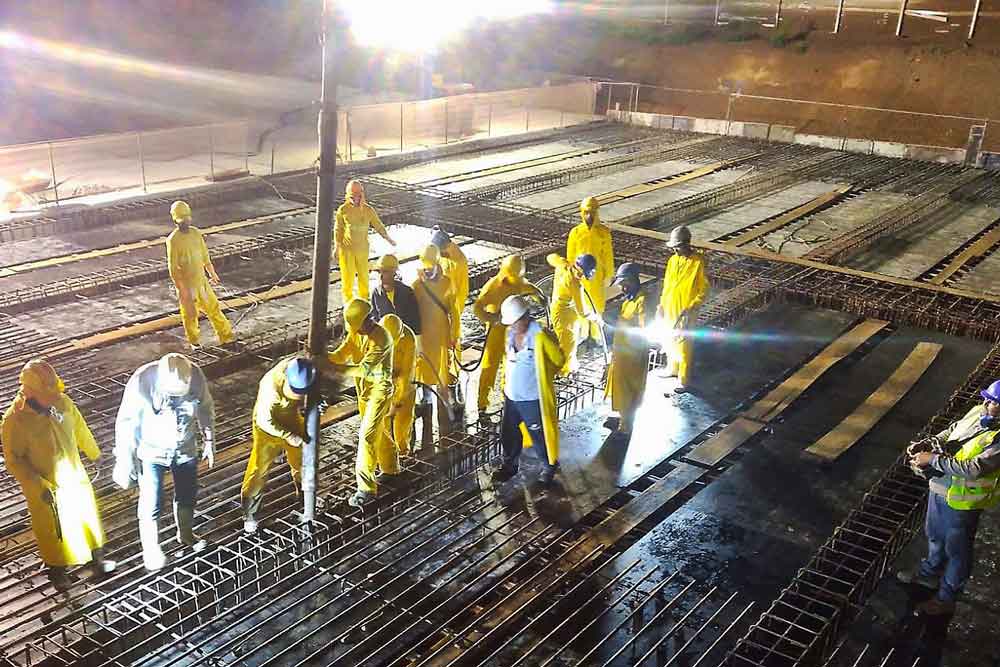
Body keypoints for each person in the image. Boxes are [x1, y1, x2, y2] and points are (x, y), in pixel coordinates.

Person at [2, 360, 116, 591]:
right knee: (54, 529)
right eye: (48, 393)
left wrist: (94, 453)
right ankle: (57, 572)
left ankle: (96, 560)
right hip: (47, 487)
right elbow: (14, 460)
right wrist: (38, 485)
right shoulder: (15, 421)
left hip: (74, 475)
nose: (53, 397)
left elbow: (79, 428)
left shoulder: (62, 402)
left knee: (86, 519)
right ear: (30, 392)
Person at [903, 382, 1000, 615]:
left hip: (963, 502)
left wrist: (933, 459)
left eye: (996, 403)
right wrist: (929, 443)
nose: (989, 405)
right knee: (934, 535)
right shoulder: (979, 411)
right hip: (939, 487)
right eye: (988, 399)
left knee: (957, 550)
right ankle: (929, 574)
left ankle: (946, 597)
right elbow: (954, 429)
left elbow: (975, 467)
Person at [113, 354, 215, 571]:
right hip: (152, 450)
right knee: (152, 499)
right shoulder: (141, 381)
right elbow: (126, 423)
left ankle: (186, 534)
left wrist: (209, 439)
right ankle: (151, 548)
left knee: (188, 492)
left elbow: (205, 407)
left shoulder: (194, 375)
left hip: (184, 447)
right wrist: (124, 459)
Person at [490, 296, 566, 487]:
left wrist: (543, 376)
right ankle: (510, 465)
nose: (513, 326)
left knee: (539, 435)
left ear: (525, 317)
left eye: (515, 322)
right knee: (508, 432)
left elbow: (558, 360)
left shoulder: (540, 335)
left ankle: (549, 466)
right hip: (512, 395)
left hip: (532, 397)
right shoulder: (509, 333)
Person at [327, 299, 394, 507]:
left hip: (379, 391)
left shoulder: (382, 337)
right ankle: (391, 467)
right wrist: (322, 357)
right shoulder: (356, 333)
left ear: (366, 320)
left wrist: (334, 370)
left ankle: (366, 488)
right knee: (377, 431)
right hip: (363, 392)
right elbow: (341, 354)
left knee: (367, 436)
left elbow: (364, 368)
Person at [240, 357, 315, 533]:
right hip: (267, 428)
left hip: (291, 417)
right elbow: (265, 421)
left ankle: (305, 499)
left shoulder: (305, 370)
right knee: (259, 469)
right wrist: (288, 435)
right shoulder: (270, 389)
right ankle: (249, 515)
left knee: (302, 461)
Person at [166, 200, 234, 349]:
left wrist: (212, 272)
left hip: (202, 282)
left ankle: (226, 337)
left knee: (214, 309)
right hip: (187, 286)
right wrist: (181, 288)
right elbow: (173, 267)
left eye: (187, 220)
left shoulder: (196, 233)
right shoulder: (173, 240)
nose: (185, 223)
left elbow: (204, 254)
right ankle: (194, 342)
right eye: (182, 221)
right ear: (176, 221)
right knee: (190, 316)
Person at [473, 255, 536, 416]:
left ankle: (507, 397)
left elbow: (528, 287)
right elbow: (478, 308)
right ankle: (482, 403)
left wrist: (539, 295)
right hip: (497, 330)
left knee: (511, 365)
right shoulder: (493, 287)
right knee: (490, 367)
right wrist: (490, 318)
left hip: (513, 331)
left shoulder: (517, 280)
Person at [412, 244, 459, 444]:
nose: (428, 271)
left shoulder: (448, 283)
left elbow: (454, 312)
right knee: (424, 367)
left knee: (443, 367)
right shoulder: (417, 285)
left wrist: (455, 335)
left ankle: (446, 394)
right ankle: (426, 397)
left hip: (441, 335)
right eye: (426, 267)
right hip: (424, 335)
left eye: (431, 267)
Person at [658, 225, 708, 394]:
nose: (675, 251)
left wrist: (692, 306)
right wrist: (661, 305)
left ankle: (683, 379)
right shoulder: (673, 261)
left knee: (684, 345)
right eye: (674, 248)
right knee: (669, 339)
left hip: (686, 311)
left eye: (677, 247)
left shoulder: (697, 262)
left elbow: (703, 290)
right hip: (670, 307)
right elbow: (667, 286)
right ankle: (671, 368)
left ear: (686, 244)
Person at [605, 263, 650, 437]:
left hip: (633, 353)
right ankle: (621, 417)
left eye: (624, 284)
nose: (622, 288)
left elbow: (643, 329)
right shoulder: (630, 299)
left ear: (632, 281)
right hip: (623, 352)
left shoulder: (642, 301)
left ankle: (626, 426)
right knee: (620, 386)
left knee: (630, 389)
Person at [336, 180, 396, 302]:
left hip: (362, 250)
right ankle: (347, 302)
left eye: (357, 196)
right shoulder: (343, 210)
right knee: (348, 278)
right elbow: (338, 229)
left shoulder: (368, 210)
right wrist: (337, 247)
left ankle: (365, 300)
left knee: (364, 276)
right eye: (352, 197)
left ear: (362, 195)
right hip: (347, 250)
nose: (355, 199)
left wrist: (388, 238)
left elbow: (378, 225)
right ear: (348, 196)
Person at [567, 196, 614, 344]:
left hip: (596, 276)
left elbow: (608, 255)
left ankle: (596, 334)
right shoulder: (575, 233)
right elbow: (570, 256)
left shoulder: (603, 233)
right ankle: (582, 333)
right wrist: (571, 273)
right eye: (586, 212)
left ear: (596, 213)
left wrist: (609, 275)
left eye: (591, 212)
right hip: (580, 275)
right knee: (580, 304)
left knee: (597, 304)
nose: (588, 216)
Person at [547, 252, 597, 376]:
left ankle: (567, 366)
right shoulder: (575, 284)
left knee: (566, 341)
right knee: (567, 345)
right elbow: (583, 311)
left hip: (557, 308)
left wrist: (563, 261)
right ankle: (563, 372)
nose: (581, 276)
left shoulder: (563, 265)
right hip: (565, 314)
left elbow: (550, 257)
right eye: (582, 274)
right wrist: (596, 318)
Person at [378, 313, 417, 457]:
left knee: (403, 418)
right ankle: (386, 453)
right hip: (386, 382)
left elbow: (407, 374)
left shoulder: (409, 338)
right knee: (383, 419)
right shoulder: (377, 335)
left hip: (405, 383)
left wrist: (399, 399)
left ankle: (403, 450)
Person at [432, 226, 469, 358]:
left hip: (453, 302)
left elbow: (460, 289)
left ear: (445, 246)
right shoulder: (444, 253)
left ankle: (454, 367)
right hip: (443, 300)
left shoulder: (458, 262)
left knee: (453, 334)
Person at [370, 254, 421, 335]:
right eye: (379, 271)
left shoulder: (407, 292)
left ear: (394, 272)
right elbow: (375, 318)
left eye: (385, 271)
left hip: (405, 340)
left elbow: (415, 321)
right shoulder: (376, 294)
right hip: (388, 342)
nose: (381, 275)